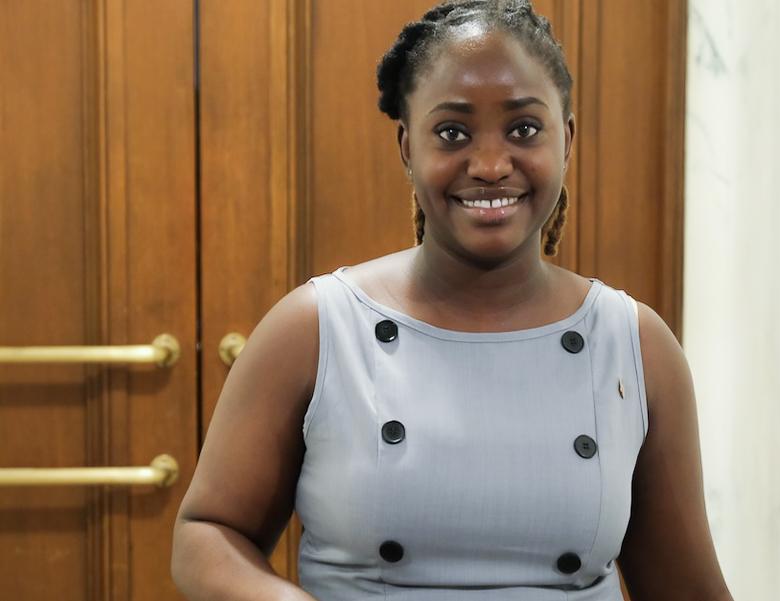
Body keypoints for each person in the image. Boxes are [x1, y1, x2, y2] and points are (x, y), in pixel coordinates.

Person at [171, 1, 733, 600]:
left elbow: (687, 590)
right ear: (407, 146)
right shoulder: (316, 327)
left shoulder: (635, 345)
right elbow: (207, 533)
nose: (490, 165)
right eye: (452, 133)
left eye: (523, 128)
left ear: (566, 139)